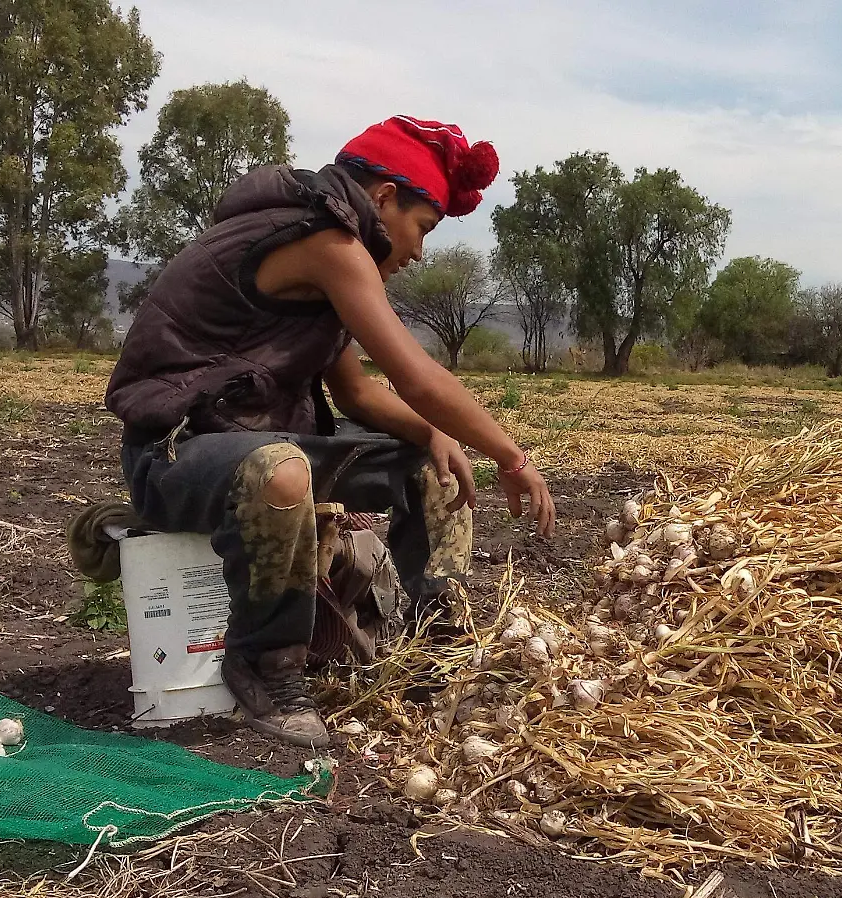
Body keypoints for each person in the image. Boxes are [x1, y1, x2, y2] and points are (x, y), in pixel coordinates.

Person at [105, 115, 555, 749]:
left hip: (251, 442)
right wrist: (510, 456)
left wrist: (435, 436)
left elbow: (359, 393)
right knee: (281, 469)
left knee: (431, 458)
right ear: (383, 198)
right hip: (176, 451)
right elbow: (417, 377)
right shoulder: (326, 244)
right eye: (422, 228)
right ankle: (266, 663)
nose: (420, 251)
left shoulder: (331, 261)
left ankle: (430, 637)